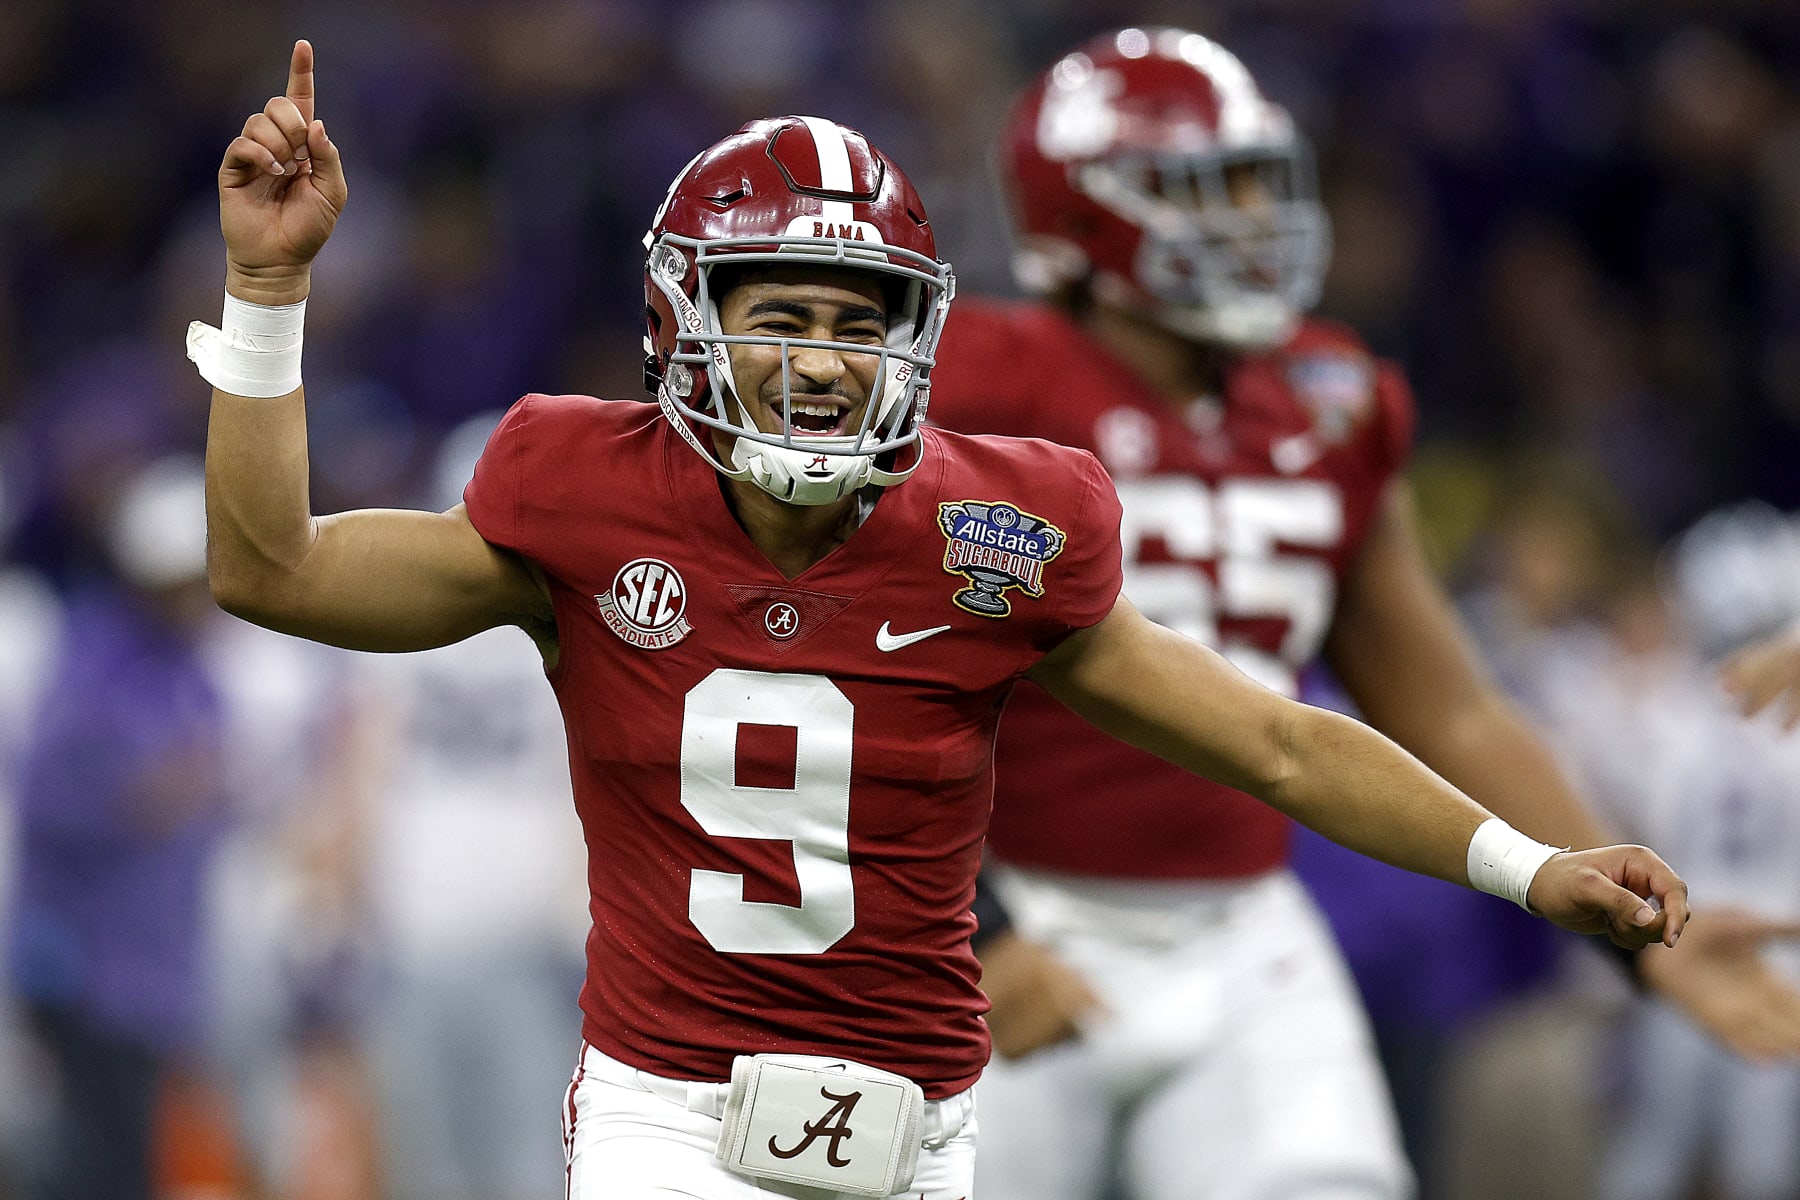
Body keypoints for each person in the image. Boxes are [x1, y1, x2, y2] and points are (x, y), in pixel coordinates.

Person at [193, 42, 1688, 1200]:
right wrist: (268, 291)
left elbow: (1281, 745)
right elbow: (274, 570)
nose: (824, 362)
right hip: (673, 1112)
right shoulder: (579, 497)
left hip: (929, 1123)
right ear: (684, 322)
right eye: (781, 315)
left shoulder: (995, 534)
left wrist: (1532, 862)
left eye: (861, 324)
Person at [923, 27, 1800, 1200]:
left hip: (1244, 930)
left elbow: (1448, 704)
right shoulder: (978, 380)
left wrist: (1626, 932)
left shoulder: (1326, 397)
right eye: (1204, 186)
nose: (1251, 213)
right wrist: (964, 924)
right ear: (1079, 219)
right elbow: (872, 673)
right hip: (1011, 911)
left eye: (1258, 178)